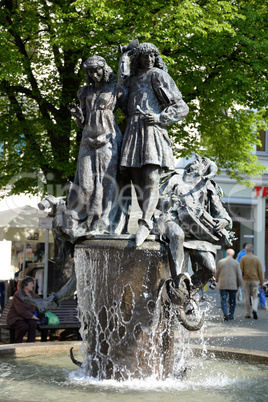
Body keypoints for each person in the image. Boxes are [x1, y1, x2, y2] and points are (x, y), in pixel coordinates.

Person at [119, 42, 189, 246]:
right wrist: (122, 58)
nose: (149, 60)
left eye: (152, 56)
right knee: (137, 183)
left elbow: (181, 107)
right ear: (138, 59)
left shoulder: (158, 75)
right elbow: (122, 97)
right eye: (145, 56)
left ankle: (145, 222)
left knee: (151, 178)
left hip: (152, 131)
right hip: (133, 132)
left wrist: (160, 117)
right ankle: (151, 219)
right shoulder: (131, 80)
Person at [63, 55, 128, 237]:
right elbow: (82, 123)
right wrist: (78, 116)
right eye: (90, 71)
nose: (94, 74)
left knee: (107, 183)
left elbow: (130, 113)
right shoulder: (84, 92)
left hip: (108, 140)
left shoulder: (117, 90)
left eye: (96, 70)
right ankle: (82, 220)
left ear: (104, 69)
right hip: (87, 141)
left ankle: (104, 219)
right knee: (85, 184)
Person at [155, 155, 234, 291]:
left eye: (202, 161)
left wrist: (224, 221)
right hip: (172, 220)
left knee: (210, 269)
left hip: (197, 231)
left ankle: (187, 294)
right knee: (178, 235)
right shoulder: (176, 178)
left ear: (206, 170)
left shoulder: (208, 186)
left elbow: (222, 213)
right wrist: (168, 202)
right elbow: (155, 201)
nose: (197, 159)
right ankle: (177, 284)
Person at [6, 277, 40, 343]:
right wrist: (32, 316)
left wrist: (38, 316)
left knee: (33, 323)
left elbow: (37, 304)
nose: (33, 285)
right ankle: (17, 343)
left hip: (27, 317)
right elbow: (20, 310)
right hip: (16, 317)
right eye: (31, 284)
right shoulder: (18, 294)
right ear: (25, 285)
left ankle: (31, 343)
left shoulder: (32, 294)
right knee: (24, 326)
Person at [215, 249, 243, 321]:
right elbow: (239, 275)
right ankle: (231, 315)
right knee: (232, 300)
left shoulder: (221, 262)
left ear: (227, 254)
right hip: (233, 285)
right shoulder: (236, 263)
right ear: (233, 255)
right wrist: (240, 284)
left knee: (223, 299)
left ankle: (225, 314)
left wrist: (216, 280)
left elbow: (217, 273)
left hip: (223, 284)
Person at [240, 243, 264, 319]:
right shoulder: (256, 259)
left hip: (246, 280)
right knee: (255, 296)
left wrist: (241, 278)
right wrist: (261, 281)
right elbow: (260, 271)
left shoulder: (243, 258)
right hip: (255, 280)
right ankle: (254, 308)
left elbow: (241, 270)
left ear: (246, 250)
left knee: (247, 296)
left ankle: (248, 313)